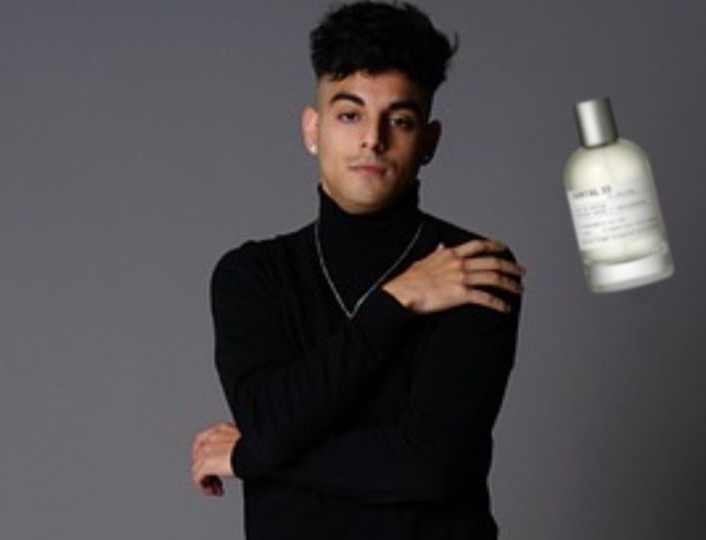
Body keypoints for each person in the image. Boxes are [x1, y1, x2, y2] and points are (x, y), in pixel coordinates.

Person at [191, 2, 525, 538]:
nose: (373, 138)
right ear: (313, 129)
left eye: (400, 120)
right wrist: (399, 300)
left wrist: (249, 456)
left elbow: (427, 467)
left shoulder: (473, 267)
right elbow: (274, 426)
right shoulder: (252, 275)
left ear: (429, 142)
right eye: (350, 115)